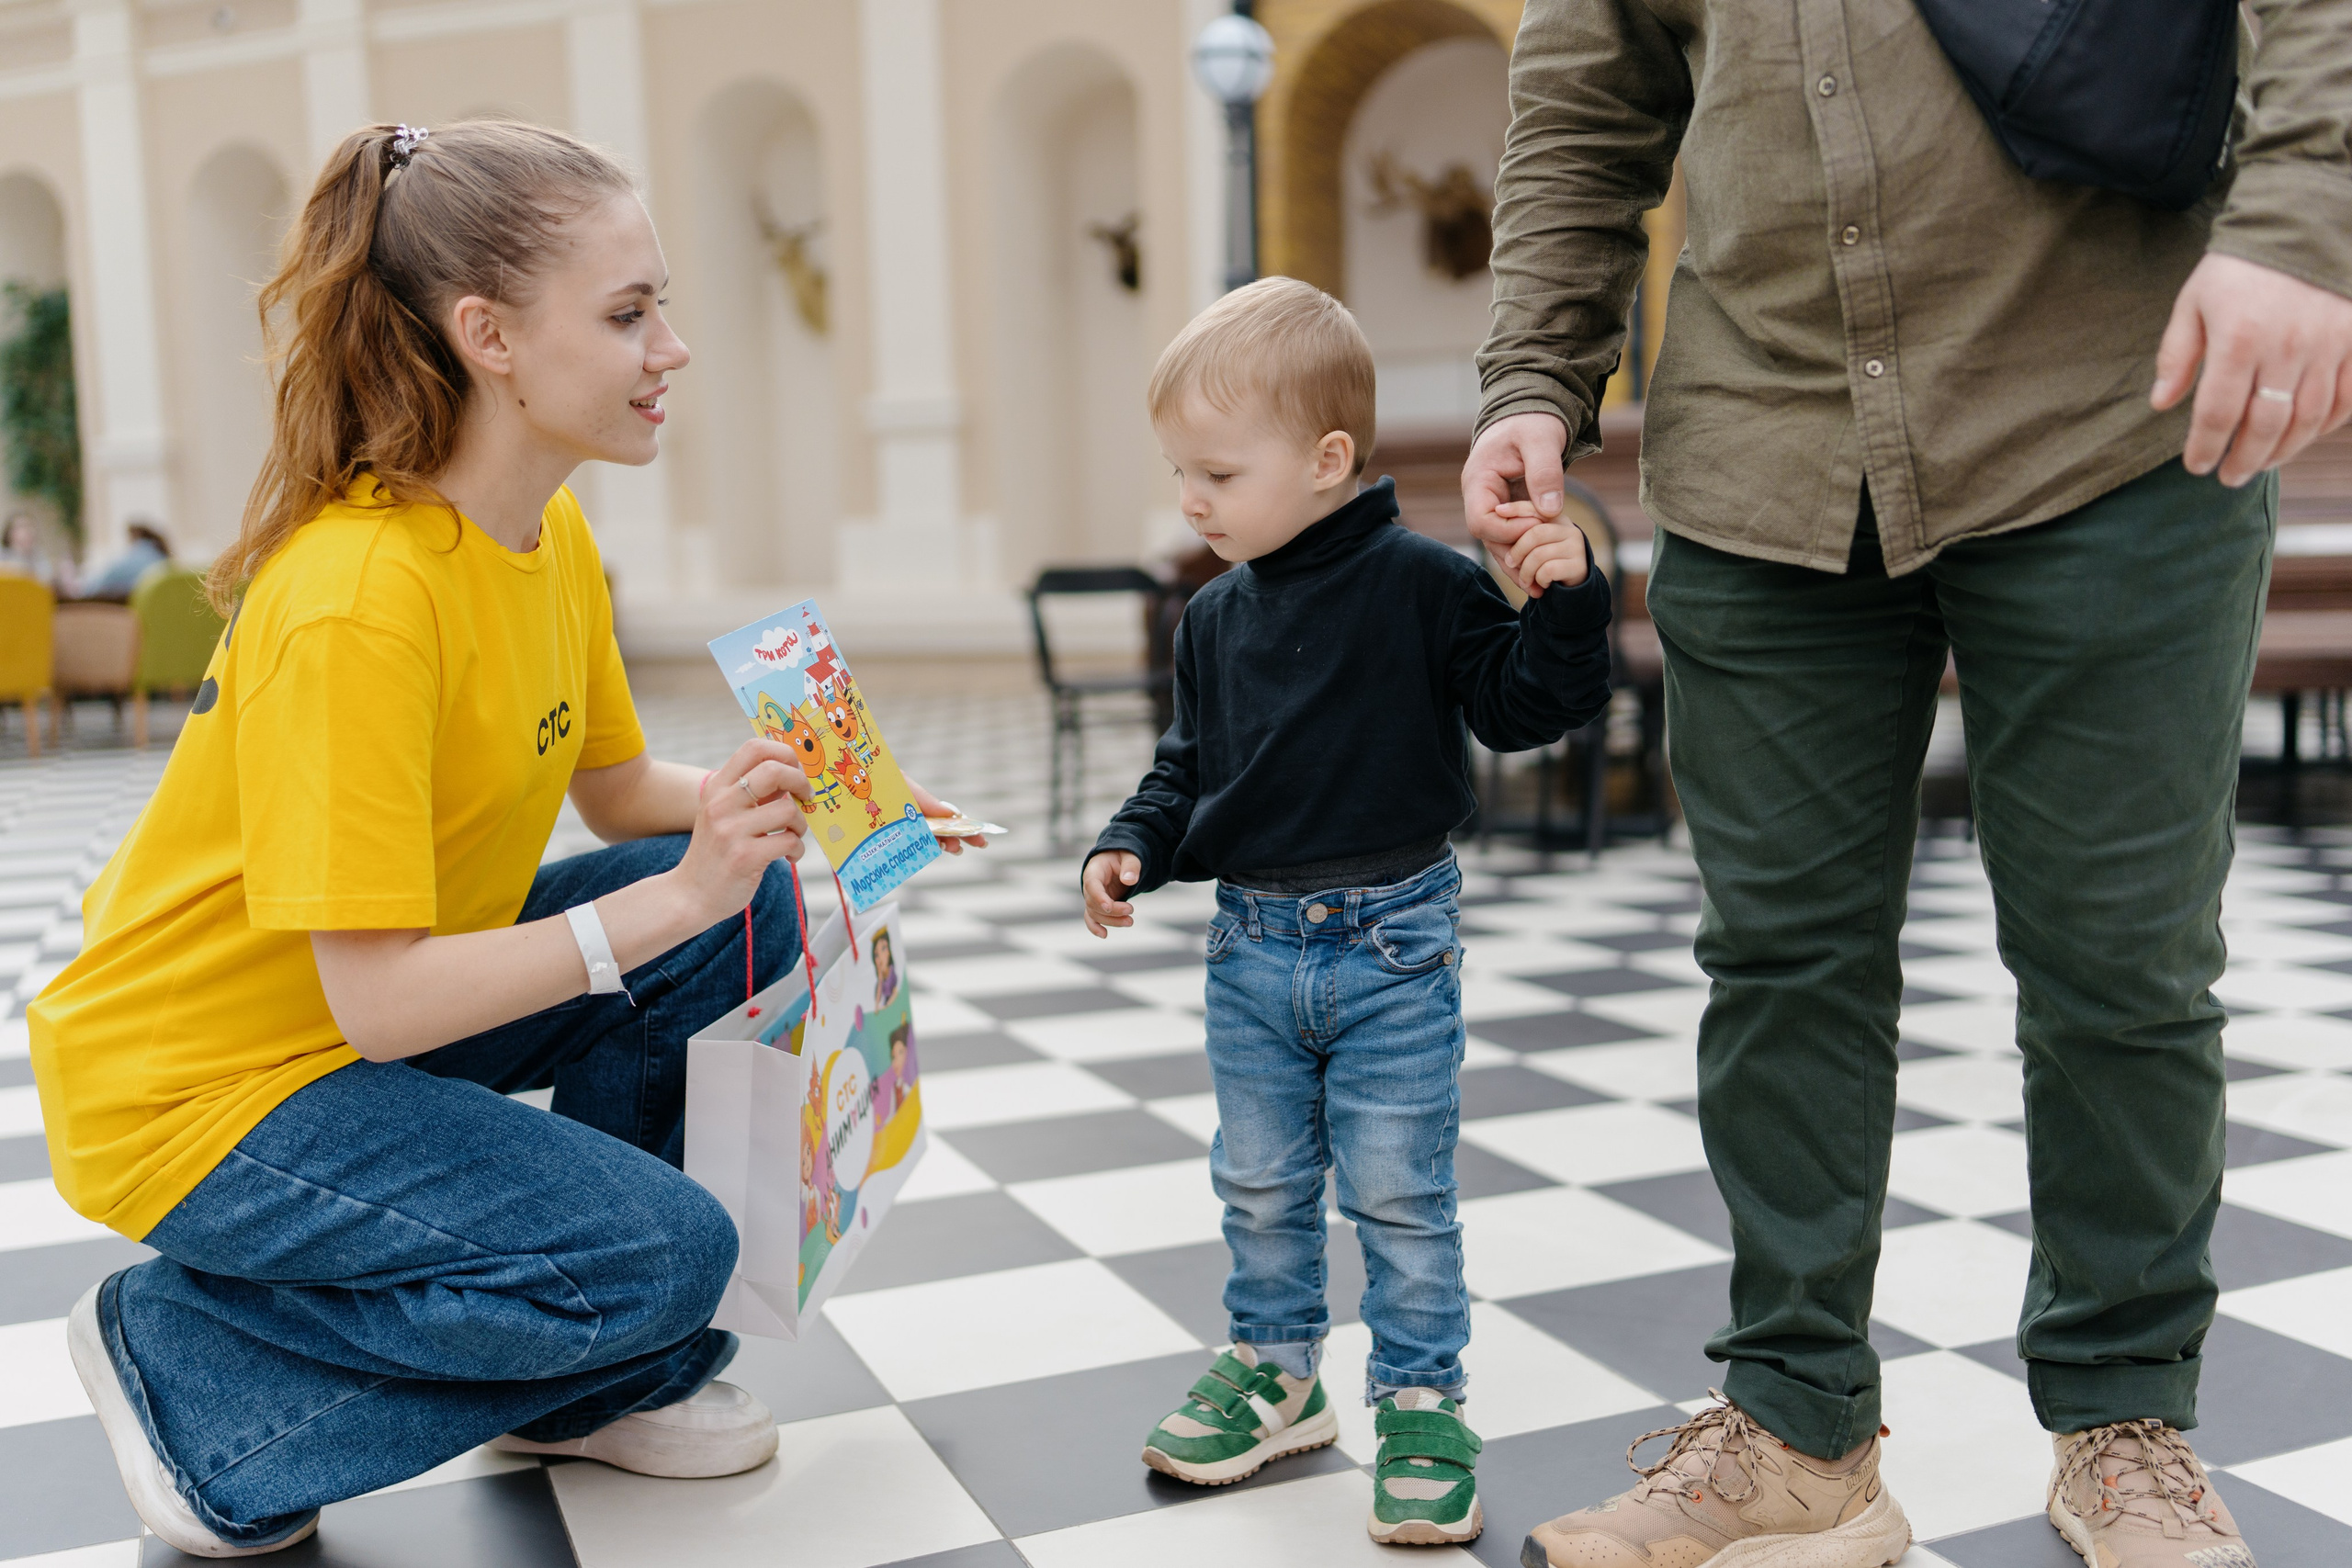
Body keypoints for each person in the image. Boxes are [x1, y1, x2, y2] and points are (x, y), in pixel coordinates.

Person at [1464, 5, 2352, 1567]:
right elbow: (1587, 79)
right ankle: (1801, 1436)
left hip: (2108, 410)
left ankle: (2125, 1422)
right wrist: (1535, 371)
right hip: (1764, 429)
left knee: (2121, 959)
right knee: (1778, 962)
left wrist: (2299, 218)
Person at [29, 118, 982, 1559]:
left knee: (744, 916)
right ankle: (196, 1371)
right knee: (666, 1248)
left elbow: (610, 790)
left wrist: (817, 798)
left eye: (659, 302)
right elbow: (383, 994)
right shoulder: (357, 598)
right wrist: (676, 896)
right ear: (489, 336)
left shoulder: (549, 532)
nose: (672, 345)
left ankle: (598, 1381)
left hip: (347, 1036)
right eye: (628, 312)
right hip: (203, 1086)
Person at [1081, 277, 1612, 1547]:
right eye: (1178, 473)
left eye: (1215, 470)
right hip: (1251, 949)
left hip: (1393, 945)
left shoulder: (1423, 584)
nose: (1191, 500)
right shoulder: (1212, 614)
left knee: (1397, 1188)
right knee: (1258, 1180)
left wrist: (1567, 603)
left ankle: (1423, 1399)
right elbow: (1187, 764)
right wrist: (1131, 842)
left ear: (1329, 459)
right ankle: (1278, 1370)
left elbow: (1521, 709)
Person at [77, 520, 170, 601]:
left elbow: (104, 579)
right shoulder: (161, 557)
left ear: (136, 535)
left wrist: (84, 589)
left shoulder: (136, 556)